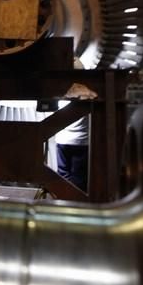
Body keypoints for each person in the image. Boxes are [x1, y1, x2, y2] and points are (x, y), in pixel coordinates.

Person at [55, 58, 89, 191]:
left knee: (62, 176)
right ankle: (75, 204)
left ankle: (63, 200)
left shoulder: (60, 93)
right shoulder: (87, 93)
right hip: (81, 142)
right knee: (79, 179)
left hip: (62, 140)